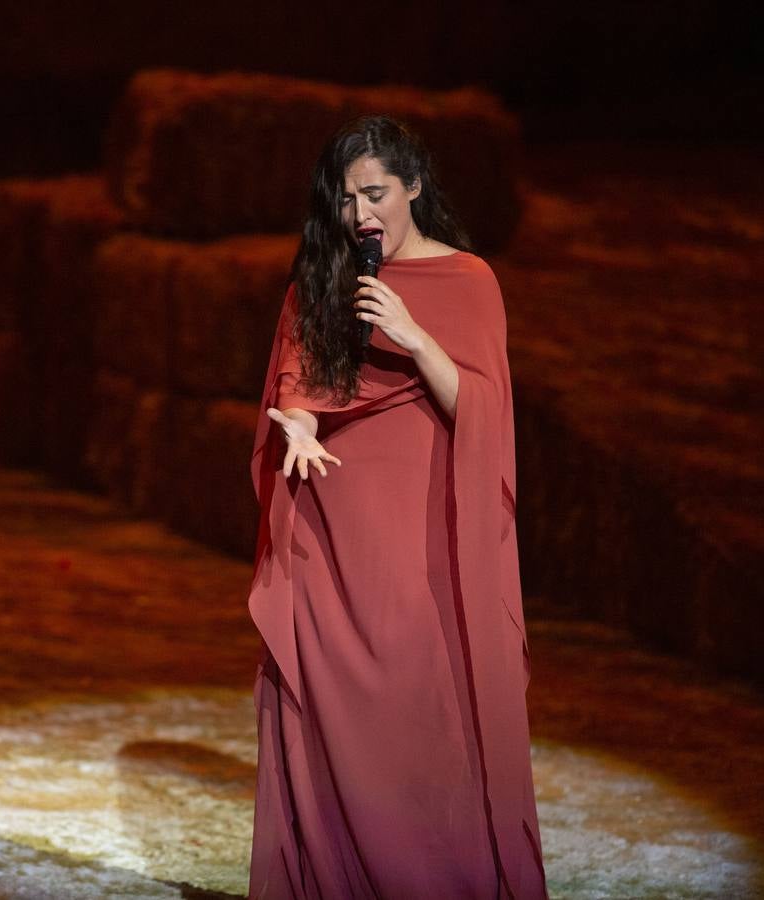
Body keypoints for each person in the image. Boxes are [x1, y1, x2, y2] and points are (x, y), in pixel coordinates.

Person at [246, 115, 549, 898]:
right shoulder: (324, 277)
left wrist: (415, 338)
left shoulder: (469, 279)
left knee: (424, 704)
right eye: (345, 201)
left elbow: (481, 405)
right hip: (329, 524)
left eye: (374, 194)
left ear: (413, 185)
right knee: (328, 714)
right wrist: (300, 427)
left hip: (420, 527)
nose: (360, 215)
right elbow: (301, 382)